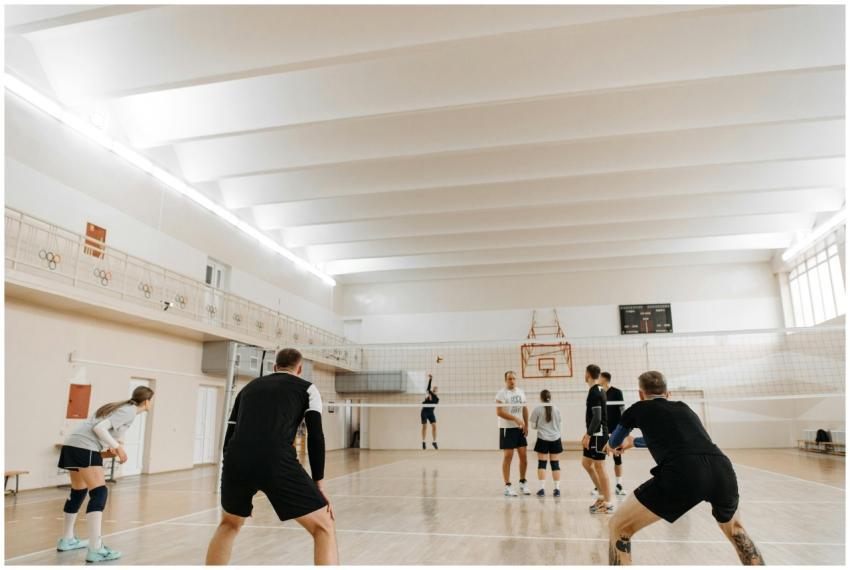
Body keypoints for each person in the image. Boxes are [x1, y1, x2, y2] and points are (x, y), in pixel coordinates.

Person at [604, 371, 764, 566]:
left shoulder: (638, 408)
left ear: (641, 394)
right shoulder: (684, 408)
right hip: (721, 468)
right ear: (668, 393)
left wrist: (614, 444)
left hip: (684, 472)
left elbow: (614, 441)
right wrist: (635, 442)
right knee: (736, 531)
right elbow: (683, 439)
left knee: (618, 528)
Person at [205, 348, 338, 565]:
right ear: (299, 369)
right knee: (323, 526)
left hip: (236, 460)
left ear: (274, 367)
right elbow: (316, 436)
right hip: (276, 460)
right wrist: (319, 482)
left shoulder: (247, 389)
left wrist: (230, 470)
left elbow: (229, 435)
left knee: (229, 524)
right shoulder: (308, 389)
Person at [57, 386, 155, 563]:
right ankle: (95, 549)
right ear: (147, 401)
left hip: (72, 445)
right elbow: (100, 428)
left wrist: (116, 447)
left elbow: (110, 437)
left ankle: (67, 539)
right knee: (99, 492)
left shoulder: (121, 409)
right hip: (84, 446)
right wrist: (117, 448)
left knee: (78, 491)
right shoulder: (129, 411)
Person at [582, 364, 613, 514]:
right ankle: (602, 496)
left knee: (600, 467)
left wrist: (588, 434)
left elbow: (597, 417)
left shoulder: (595, 392)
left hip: (598, 435)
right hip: (595, 433)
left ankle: (608, 503)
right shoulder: (600, 389)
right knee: (586, 463)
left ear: (587, 374)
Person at [495, 371, 530, 496]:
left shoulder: (521, 392)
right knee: (508, 456)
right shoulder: (501, 394)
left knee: (523, 456)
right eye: (509, 379)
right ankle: (507, 485)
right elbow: (499, 412)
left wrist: (526, 425)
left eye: (514, 378)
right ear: (505, 380)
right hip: (507, 428)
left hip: (519, 428)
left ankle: (522, 482)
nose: (512, 381)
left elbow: (525, 408)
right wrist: (515, 418)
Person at [529, 389, 563, 497]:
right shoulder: (557, 409)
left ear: (541, 398)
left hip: (542, 439)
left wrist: (541, 426)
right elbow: (559, 426)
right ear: (550, 397)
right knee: (555, 465)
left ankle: (542, 489)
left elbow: (533, 426)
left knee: (542, 464)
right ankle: (557, 490)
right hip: (555, 439)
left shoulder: (537, 409)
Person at [601, 371, 627, 496]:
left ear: (605, 380)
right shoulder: (598, 393)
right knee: (600, 460)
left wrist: (623, 430)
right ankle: (599, 486)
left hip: (616, 430)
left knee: (617, 457)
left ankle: (619, 485)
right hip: (602, 430)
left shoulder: (617, 392)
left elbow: (623, 411)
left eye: (599, 378)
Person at [420, 374, 439, 450]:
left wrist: (430, 399)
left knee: (434, 426)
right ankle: (423, 442)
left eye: (436, 388)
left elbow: (433, 403)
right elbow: (428, 388)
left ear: (437, 391)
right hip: (424, 411)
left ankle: (434, 442)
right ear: (432, 389)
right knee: (425, 426)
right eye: (434, 388)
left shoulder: (437, 399)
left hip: (431, 413)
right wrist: (430, 379)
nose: (435, 388)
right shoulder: (429, 393)